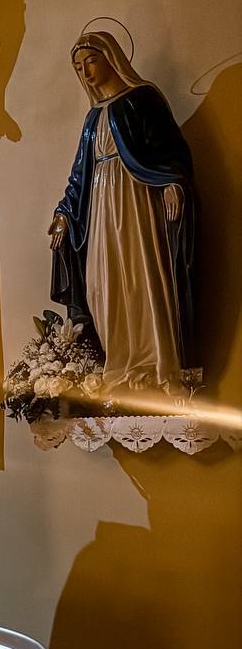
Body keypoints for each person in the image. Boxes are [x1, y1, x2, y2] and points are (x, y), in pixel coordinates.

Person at [48, 30, 196, 394]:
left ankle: (156, 365)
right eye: (78, 67)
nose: (85, 72)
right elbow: (79, 174)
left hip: (136, 202)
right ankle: (120, 363)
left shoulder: (142, 99)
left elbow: (170, 150)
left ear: (112, 58)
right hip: (100, 209)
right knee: (103, 283)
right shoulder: (92, 119)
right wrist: (65, 213)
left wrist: (173, 182)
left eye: (91, 61)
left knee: (141, 277)